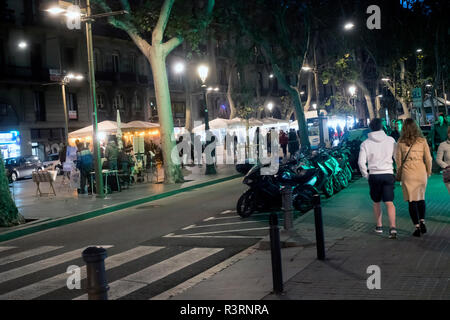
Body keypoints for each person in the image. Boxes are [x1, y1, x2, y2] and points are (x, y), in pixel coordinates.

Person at [358, 118, 397, 239]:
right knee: (389, 202)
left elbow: (361, 162)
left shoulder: (365, 143)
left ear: (370, 127)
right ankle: (393, 228)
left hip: (374, 175)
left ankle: (379, 226)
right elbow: (397, 158)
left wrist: (366, 175)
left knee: (376, 202)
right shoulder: (391, 140)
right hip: (388, 174)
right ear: (382, 127)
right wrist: (396, 171)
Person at [395, 118, 433, 237]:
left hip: (408, 173)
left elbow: (398, 162)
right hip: (421, 172)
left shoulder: (400, 142)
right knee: (421, 198)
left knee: (412, 200)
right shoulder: (422, 141)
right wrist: (429, 172)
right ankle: (422, 221)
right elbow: (428, 159)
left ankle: (417, 227)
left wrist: (399, 175)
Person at [436, 126, 450, 194]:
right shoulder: (442, 145)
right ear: (448, 134)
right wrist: (446, 166)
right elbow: (438, 159)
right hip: (448, 173)